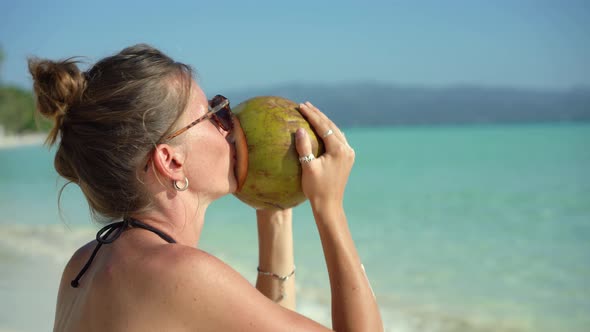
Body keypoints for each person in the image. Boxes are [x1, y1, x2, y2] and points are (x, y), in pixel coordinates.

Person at [29, 44, 383, 331]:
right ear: (171, 161)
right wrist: (330, 209)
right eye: (213, 114)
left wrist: (273, 207)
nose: (229, 124)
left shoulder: (83, 266)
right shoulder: (180, 274)